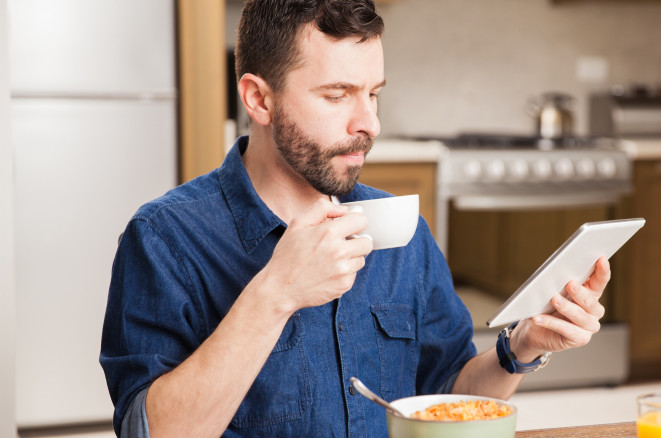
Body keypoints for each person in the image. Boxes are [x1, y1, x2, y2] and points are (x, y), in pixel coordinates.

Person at [99, 0, 611, 436]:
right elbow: (149, 429)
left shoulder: (402, 236)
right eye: (336, 95)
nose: (369, 123)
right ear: (259, 98)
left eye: (373, 94)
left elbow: (446, 392)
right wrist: (276, 293)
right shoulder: (165, 238)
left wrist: (518, 350)